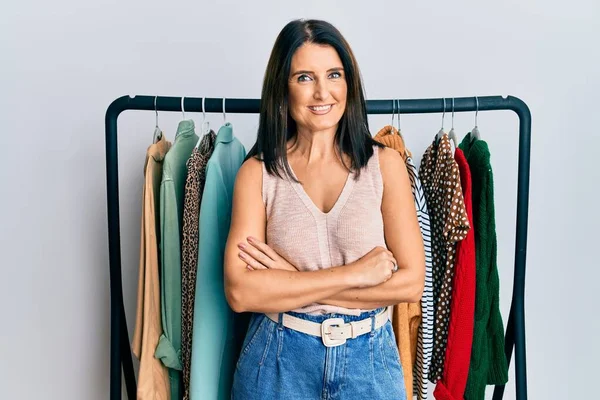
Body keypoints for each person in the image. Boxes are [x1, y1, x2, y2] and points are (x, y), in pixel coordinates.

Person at [224, 19, 425, 400]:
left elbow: (411, 283)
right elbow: (241, 291)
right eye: (304, 77)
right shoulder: (257, 174)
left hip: (369, 362)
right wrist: (356, 275)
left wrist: (290, 280)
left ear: (349, 83)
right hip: (278, 359)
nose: (322, 92)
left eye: (334, 74)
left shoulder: (385, 166)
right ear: (282, 88)